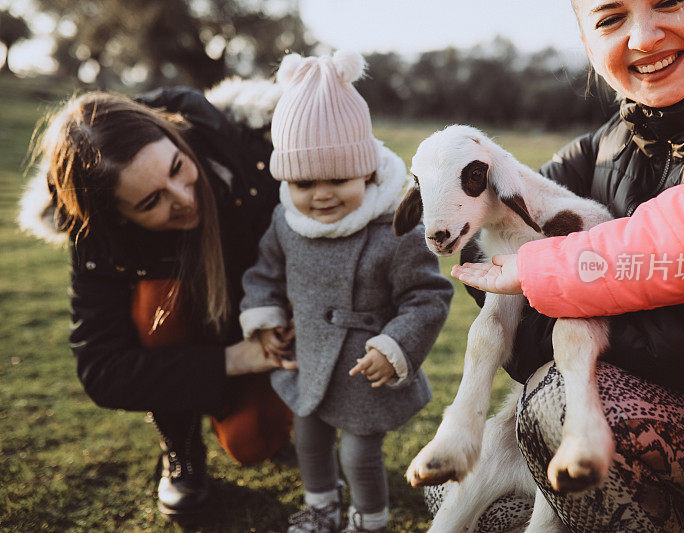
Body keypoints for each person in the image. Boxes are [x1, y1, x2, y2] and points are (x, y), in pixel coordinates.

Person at [455, 0, 684, 529]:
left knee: (560, 402)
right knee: (477, 500)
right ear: (588, 48)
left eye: (668, 1)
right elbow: (485, 241)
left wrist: (568, 326)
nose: (642, 38)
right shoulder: (601, 148)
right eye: (611, 19)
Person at [18, 80, 292, 520]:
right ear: (116, 217)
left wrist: (282, 322)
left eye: (177, 167)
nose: (185, 198)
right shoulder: (97, 236)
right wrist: (232, 361)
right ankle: (179, 442)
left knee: (252, 442)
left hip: (256, 320)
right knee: (155, 303)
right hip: (192, 341)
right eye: (150, 202)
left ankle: (283, 410)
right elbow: (102, 370)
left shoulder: (244, 154)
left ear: (174, 136)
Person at [238, 51, 453, 533]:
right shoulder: (287, 222)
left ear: (367, 172)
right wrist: (265, 316)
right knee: (308, 438)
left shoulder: (392, 228)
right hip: (309, 357)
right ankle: (322, 505)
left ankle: (370, 519)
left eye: (338, 179)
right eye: (303, 182)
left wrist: (395, 344)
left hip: (364, 368)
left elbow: (428, 295)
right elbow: (264, 272)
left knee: (359, 450)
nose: (321, 195)